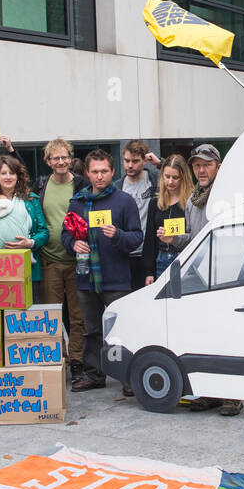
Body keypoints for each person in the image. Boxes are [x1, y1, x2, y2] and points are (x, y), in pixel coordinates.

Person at [166, 144, 244, 416]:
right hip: (201, 280)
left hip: (227, 279)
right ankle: (210, 393)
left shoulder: (228, 197)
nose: (201, 169)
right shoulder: (192, 200)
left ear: (219, 167)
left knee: (227, 339)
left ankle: (233, 395)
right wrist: (172, 239)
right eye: (197, 165)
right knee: (204, 338)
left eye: (206, 165)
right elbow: (193, 241)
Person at [62, 150, 142, 392]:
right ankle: (94, 374)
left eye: (104, 171)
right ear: (87, 173)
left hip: (116, 277)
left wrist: (118, 235)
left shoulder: (124, 201)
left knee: (122, 329)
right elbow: (65, 233)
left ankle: (128, 376)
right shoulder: (76, 202)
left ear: (112, 171)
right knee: (91, 329)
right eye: (95, 172)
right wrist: (72, 244)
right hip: (87, 277)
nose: (99, 176)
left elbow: (137, 237)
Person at [34, 138, 89, 383]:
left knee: (78, 317)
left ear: (70, 158)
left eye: (64, 157)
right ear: (48, 161)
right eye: (55, 158)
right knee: (52, 316)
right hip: (50, 261)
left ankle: (76, 361)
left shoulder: (82, 185)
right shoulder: (41, 186)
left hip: (79, 261)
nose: (60, 161)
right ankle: (59, 360)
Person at [0, 155, 50, 285]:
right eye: (3, 173)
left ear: (18, 176)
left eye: (12, 173)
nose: (8, 177)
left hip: (26, 266)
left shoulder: (31, 200)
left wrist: (30, 243)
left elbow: (44, 232)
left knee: (27, 305)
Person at [115, 139, 160, 292]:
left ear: (145, 160)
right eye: (127, 161)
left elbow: (178, 175)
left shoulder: (155, 182)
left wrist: (159, 163)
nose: (130, 165)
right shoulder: (117, 187)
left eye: (135, 161)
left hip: (149, 253)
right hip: (125, 254)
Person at [143, 154, 193, 283]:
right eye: (167, 177)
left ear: (183, 178)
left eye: (176, 178)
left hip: (184, 258)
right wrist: (149, 271)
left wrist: (174, 238)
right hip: (161, 258)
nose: (170, 182)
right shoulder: (155, 202)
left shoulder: (191, 201)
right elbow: (150, 238)